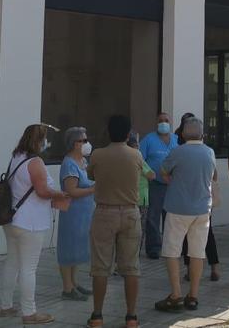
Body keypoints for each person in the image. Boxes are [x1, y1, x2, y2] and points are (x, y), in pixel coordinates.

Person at [0, 124, 68, 324]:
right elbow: (42, 191)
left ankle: (6, 306)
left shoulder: (16, 157)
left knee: (12, 262)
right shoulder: (35, 162)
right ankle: (29, 313)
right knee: (29, 268)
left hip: (12, 219)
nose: (47, 143)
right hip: (30, 223)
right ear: (39, 141)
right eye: (44, 139)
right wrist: (60, 194)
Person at [87, 116, 145, 328]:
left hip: (104, 212)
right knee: (131, 267)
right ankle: (131, 317)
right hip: (130, 213)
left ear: (108, 132)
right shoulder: (136, 155)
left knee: (101, 267)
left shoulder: (98, 154)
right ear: (129, 133)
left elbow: (91, 175)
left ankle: (97, 316)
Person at [155, 117, 217, 313]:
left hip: (177, 208)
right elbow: (213, 176)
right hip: (202, 209)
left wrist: (174, 181)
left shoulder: (177, 152)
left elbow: (163, 172)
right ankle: (193, 296)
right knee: (197, 252)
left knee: (172, 251)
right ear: (203, 134)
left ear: (182, 134)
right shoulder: (210, 152)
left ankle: (175, 295)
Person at [175, 113, 219, 280]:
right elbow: (214, 175)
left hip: (186, 199)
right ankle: (214, 268)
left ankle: (192, 270)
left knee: (190, 237)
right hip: (203, 199)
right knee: (207, 235)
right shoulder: (206, 151)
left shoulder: (179, 150)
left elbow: (167, 172)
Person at [59, 127, 97, 301]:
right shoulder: (69, 164)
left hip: (85, 213)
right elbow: (72, 191)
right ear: (73, 143)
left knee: (78, 249)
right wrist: (93, 189)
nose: (86, 144)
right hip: (73, 213)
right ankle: (67, 288)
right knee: (68, 249)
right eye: (82, 140)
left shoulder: (83, 161)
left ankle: (74, 283)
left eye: (86, 140)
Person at [139, 112, 178, 259]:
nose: (163, 123)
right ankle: (154, 248)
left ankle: (170, 248)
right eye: (160, 121)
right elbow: (139, 160)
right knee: (153, 217)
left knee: (171, 218)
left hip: (173, 185)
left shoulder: (176, 140)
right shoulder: (148, 140)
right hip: (155, 185)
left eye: (166, 120)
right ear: (156, 123)